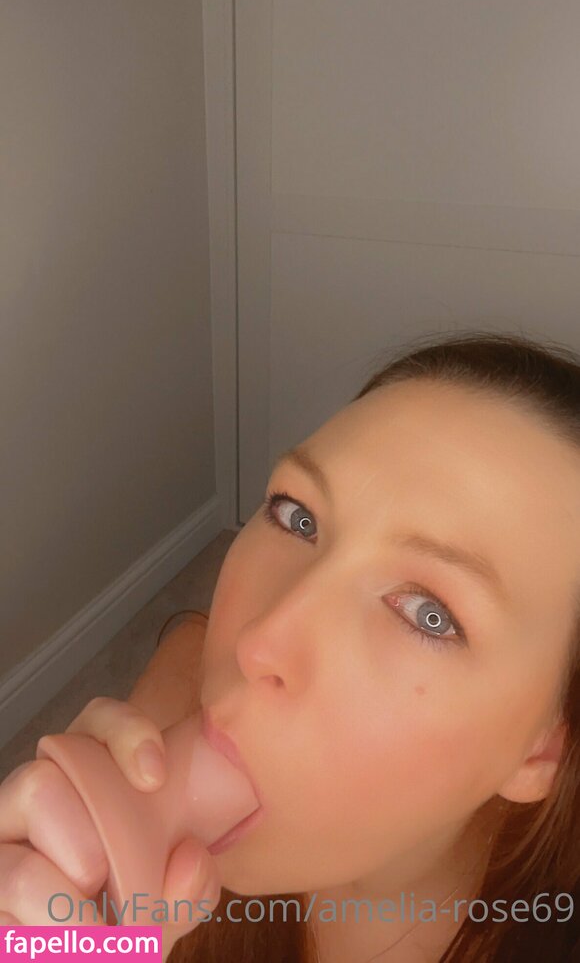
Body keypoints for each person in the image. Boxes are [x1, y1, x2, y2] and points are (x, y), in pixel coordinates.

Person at [1, 330, 579, 962]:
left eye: (429, 614)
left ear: (544, 747)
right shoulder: (164, 713)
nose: (257, 643)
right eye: (297, 516)